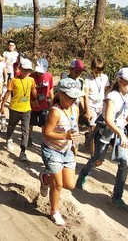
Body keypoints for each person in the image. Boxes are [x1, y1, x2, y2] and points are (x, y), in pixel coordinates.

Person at [75, 67, 128, 214]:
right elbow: (108, 119)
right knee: (98, 159)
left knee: (124, 163)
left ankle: (117, 198)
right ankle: (83, 174)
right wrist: (122, 134)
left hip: (120, 132)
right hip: (106, 130)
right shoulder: (112, 96)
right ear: (120, 80)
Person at [39, 78, 85, 226]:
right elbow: (46, 133)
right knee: (58, 184)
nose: (73, 100)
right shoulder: (55, 112)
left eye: (75, 97)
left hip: (67, 150)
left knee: (70, 185)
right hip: (52, 150)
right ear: (61, 94)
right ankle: (54, 211)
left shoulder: (75, 108)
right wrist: (65, 136)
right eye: (70, 97)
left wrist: (74, 144)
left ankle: (45, 179)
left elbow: (74, 127)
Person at [0, 58, 37, 161]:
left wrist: (36, 96)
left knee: (25, 131)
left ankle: (23, 152)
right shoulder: (13, 80)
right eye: (25, 70)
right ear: (20, 68)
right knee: (11, 125)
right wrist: (2, 105)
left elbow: (33, 91)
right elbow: (8, 93)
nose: (27, 72)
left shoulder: (31, 80)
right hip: (14, 109)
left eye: (29, 70)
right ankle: (9, 138)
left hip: (27, 110)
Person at [83, 58, 110, 157]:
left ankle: (88, 136)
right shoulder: (87, 78)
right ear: (92, 69)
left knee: (101, 130)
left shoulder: (105, 77)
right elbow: (85, 96)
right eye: (96, 71)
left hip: (101, 106)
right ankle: (93, 156)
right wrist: (87, 110)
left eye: (100, 71)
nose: (98, 73)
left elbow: (107, 92)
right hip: (91, 106)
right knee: (93, 128)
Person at [60, 58, 86, 156]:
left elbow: (82, 97)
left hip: (75, 109)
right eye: (76, 70)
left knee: (74, 128)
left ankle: (73, 149)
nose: (78, 73)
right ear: (70, 69)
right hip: (64, 108)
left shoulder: (81, 81)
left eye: (80, 71)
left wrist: (85, 109)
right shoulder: (65, 78)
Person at [29, 58, 54, 146]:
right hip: (33, 105)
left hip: (44, 104)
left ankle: (44, 141)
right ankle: (29, 137)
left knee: (44, 123)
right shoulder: (31, 76)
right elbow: (27, 92)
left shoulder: (49, 76)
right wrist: (31, 101)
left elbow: (50, 89)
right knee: (30, 123)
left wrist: (52, 101)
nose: (40, 73)